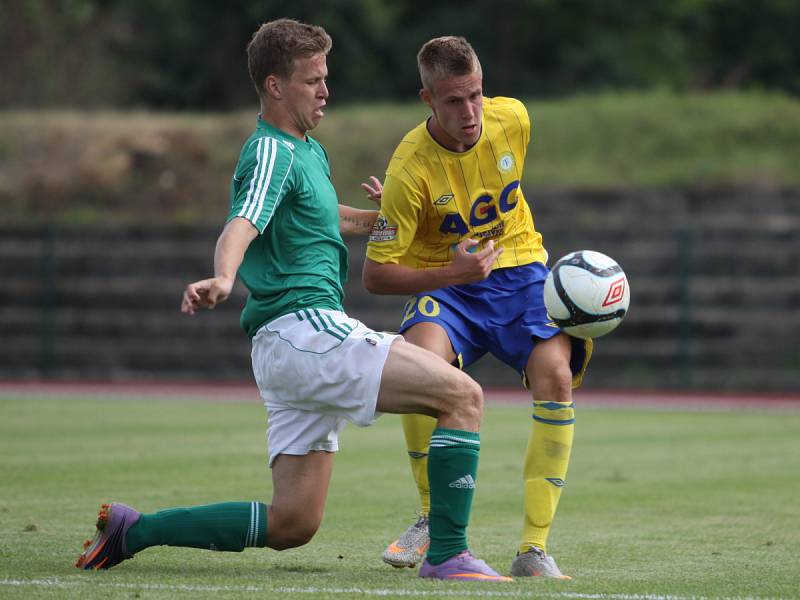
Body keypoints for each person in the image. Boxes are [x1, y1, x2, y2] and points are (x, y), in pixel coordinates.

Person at [74, 20, 511, 582]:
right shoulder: (272, 152)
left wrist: (395, 217)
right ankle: (448, 554)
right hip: (303, 331)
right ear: (276, 86)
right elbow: (243, 221)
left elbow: (330, 220)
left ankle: (135, 531)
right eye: (312, 80)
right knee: (463, 397)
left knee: (293, 524)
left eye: (326, 78)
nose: (325, 90)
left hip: (287, 347)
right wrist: (223, 277)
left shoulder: (308, 152)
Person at [361, 36, 592, 579]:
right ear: (427, 99)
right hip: (448, 282)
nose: (470, 113)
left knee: (555, 375)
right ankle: (431, 518)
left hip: (520, 271)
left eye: (476, 95)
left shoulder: (514, 119)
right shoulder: (408, 168)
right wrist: (451, 271)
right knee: (425, 367)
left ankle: (534, 548)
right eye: (453, 101)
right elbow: (374, 275)